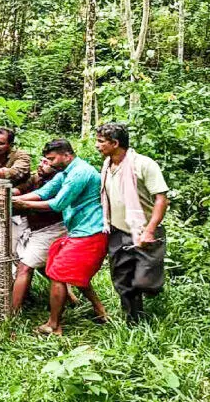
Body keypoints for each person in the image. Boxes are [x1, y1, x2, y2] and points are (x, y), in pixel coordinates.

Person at [12, 139, 108, 336]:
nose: (49, 163)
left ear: (67, 155)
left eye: (52, 159)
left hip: (90, 232)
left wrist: (24, 205)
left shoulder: (80, 173)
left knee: (58, 274)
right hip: (77, 231)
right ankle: (100, 311)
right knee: (72, 274)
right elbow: (44, 192)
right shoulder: (65, 172)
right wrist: (14, 199)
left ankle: (54, 326)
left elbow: (58, 203)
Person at [96, 123, 169, 323]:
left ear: (115, 143)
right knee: (122, 280)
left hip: (144, 231)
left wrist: (150, 230)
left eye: (101, 142)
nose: (97, 145)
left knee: (144, 281)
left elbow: (161, 199)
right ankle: (134, 320)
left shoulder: (143, 164)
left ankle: (150, 290)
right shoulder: (107, 165)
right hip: (118, 231)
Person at [10, 157, 68, 312]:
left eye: (46, 163)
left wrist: (23, 203)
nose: (40, 165)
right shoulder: (36, 177)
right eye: (41, 161)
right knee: (47, 268)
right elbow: (20, 189)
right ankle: (73, 299)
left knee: (25, 267)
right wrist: (5, 193)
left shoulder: (61, 182)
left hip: (53, 229)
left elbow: (53, 205)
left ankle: (12, 314)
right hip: (35, 231)